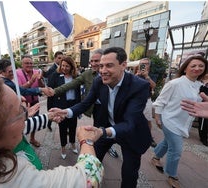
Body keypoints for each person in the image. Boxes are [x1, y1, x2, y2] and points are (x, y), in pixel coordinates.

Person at [0, 59, 104, 187]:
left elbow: (23, 126)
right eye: (20, 112)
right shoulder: (8, 178)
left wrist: (47, 117)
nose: (26, 115)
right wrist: (86, 141)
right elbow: (88, 178)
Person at [50, 47, 151, 188]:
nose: (103, 70)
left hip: (131, 132)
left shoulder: (139, 86)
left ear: (123, 65)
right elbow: (86, 103)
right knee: (91, 159)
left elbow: (130, 123)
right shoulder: (99, 81)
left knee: (129, 173)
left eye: (109, 65)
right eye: (101, 66)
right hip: (106, 127)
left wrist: (102, 132)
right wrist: (66, 112)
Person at [48, 49, 119, 158]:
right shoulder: (88, 75)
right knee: (99, 134)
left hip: (119, 118)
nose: (94, 64)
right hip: (96, 108)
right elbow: (72, 86)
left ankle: (108, 146)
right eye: (92, 61)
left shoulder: (127, 82)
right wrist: (55, 92)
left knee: (112, 134)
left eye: (97, 61)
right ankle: (97, 154)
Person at [152, 54, 208, 188]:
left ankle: (155, 157)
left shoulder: (199, 85)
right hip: (170, 120)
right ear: (185, 68)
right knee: (176, 149)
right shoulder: (174, 83)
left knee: (167, 142)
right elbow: (160, 101)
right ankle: (172, 175)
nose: (197, 68)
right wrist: (158, 118)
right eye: (193, 65)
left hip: (184, 122)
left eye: (201, 66)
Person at [48, 56, 81, 159]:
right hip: (61, 106)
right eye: (63, 65)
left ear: (72, 67)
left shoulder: (75, 76)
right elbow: (50, 93)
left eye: (67, 66)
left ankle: (72, 143)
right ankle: (63, 147)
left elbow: (79, 93)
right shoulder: (55, 76)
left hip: (73, 105)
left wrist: (79, 108)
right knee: (62, 127)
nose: (64, 68)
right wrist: (50, 109)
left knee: (73, 126)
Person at [16, 55, 45, 147]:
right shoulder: (17, 73)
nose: (29, 65)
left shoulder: (37, 72)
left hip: (35, 101)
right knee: (21, 123)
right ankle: (20, 141)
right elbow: (20, 89)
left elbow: (42, 87)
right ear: (22, 64)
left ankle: (32, 139)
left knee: (35, 121)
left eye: (31, 63)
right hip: (23, 104)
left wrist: (39, 79)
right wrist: (31, 80)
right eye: (27, 63)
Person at [135, 58, 157, 147]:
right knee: (134, 118)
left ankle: (149, 137)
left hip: (146, 100)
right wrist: (136, 75)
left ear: (149, 65)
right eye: (142, 63)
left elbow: (153, 86)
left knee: (148, 120)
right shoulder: (136, 74)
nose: (143, 65)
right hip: (135, 100)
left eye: (146, 63)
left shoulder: (152, 75)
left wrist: (147, 77)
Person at [43, 51, 64, 131]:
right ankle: (49, 123)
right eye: (59, 58)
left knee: (57, 111)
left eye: (62, 58)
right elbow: (50, 84)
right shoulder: (52, 69)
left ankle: (60, 126)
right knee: (52, 111)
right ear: (55, 59)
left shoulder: (61, 67)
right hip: (53, 94)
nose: (61, 60)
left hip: (58, 93)